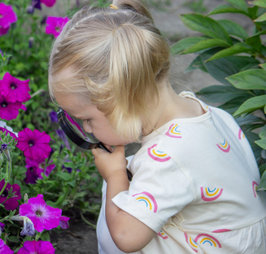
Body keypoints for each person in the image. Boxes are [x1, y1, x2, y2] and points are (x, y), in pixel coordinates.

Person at [47, 0, 266, 253]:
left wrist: (115, 176)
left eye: (87, 119)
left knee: (118, 206)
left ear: (125, 98)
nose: (86, 130)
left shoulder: (167, 158)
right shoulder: (212, 115)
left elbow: (125, 238)